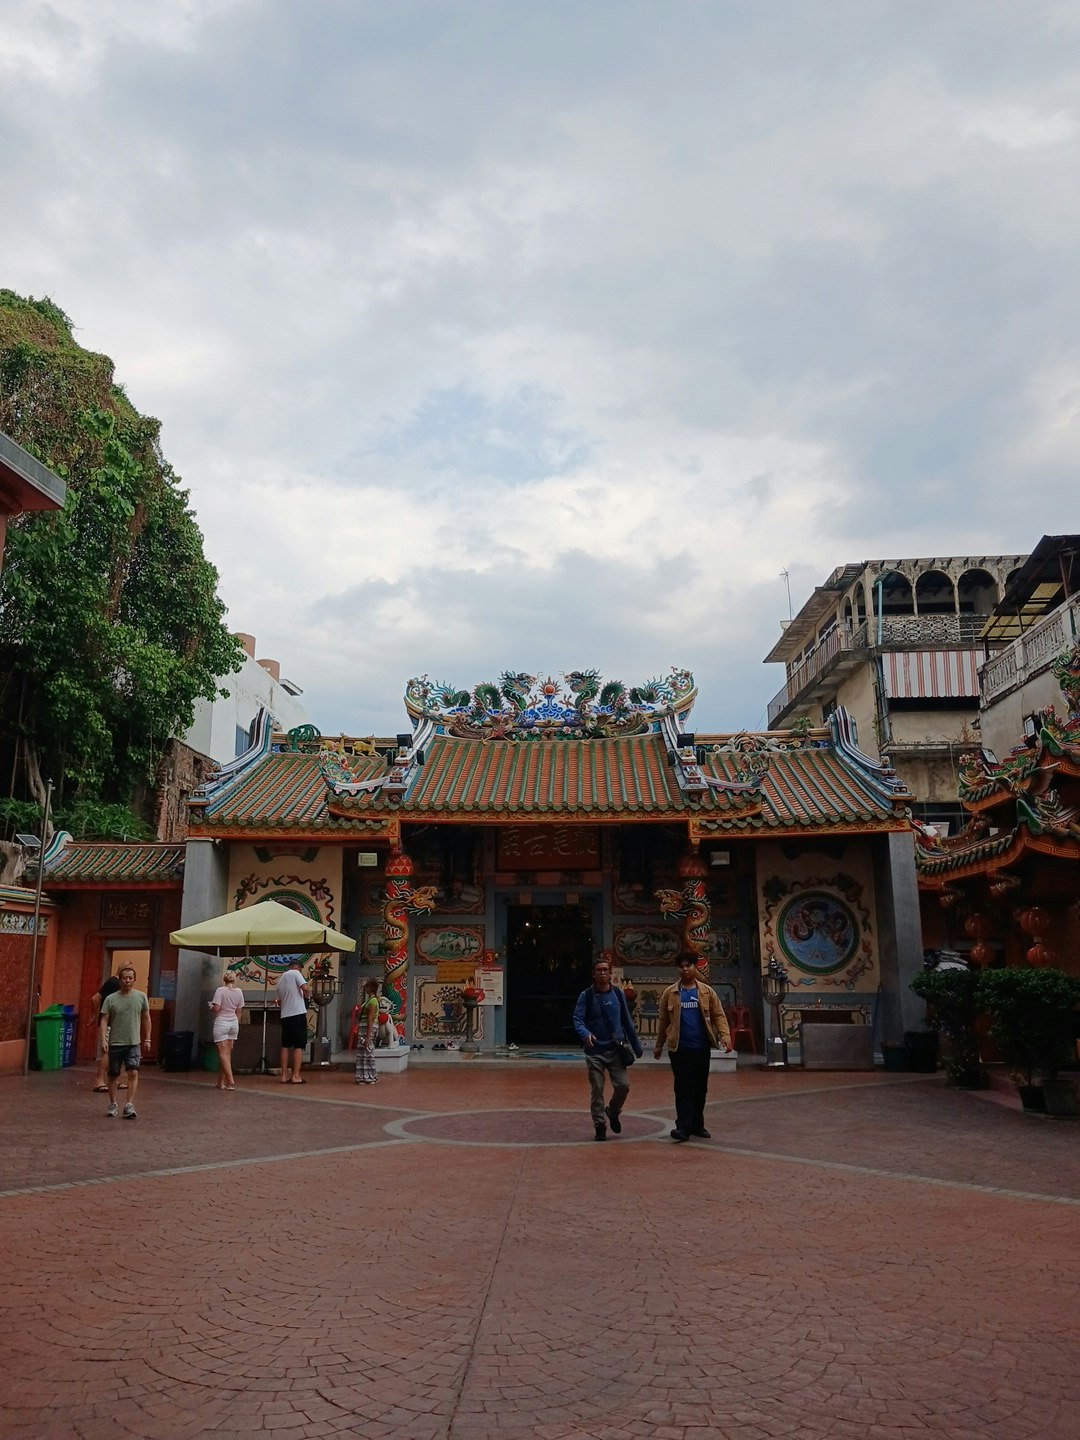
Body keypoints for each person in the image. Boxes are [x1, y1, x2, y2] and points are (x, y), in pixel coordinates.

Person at [654, 954, 734, 1142]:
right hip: (679, 1049)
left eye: (688, 965)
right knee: (682, 1088)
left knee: (700, 1088)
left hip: (701, 1047)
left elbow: (718, 1015)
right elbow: (664, 1020)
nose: (685, 969)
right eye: (681, 966)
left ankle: (698, 1124)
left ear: (694, 967)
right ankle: (683, 1127)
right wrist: (659, 1045)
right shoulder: (670, 993)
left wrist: (725, 1037)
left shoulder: (706, 992)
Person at [572, 958, 643, 1141]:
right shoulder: (585, 996)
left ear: (610, 973)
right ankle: (599, 1125)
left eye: (606, 970)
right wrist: (585, 1033)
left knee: (623, 1086)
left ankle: (612, 1111)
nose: (603, 973)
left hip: (615, 1049)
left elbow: (627, 1022)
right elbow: (577, 1019)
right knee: (597, 1089)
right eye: (599, 970)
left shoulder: (618, 994)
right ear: (593, 974)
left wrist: (636, 1046)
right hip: (595, 1051)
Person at [99, 964, 151, 1119]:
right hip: (115, 1042)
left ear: (134, 980)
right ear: (119, 980)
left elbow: (146, 1017)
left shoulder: (141, 997)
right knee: (114, 1074)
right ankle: (113, 1103)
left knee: (133, 1071)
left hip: (134, 1042)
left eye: (130, 978)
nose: (127, 981)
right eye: (124, 978)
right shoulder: (111, 999)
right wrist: (104, 1039)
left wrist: (148, 1037)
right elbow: (104, 1019)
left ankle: (129, 1104)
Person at [276, 956, 310, 1084]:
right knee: (298, 1045)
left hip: (285, 1016)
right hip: (297, 1014)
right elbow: (305, 988)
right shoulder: (295, 973)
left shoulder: (280, 980)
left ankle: (284, 1075)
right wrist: (307, 997)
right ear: (297, 967)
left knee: (285, 1045)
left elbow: (279, 1001)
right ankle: (296, 1076)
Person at [209, 970, 244, 1090]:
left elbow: (217, 1008)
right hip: (233, 1023)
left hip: (221, 1022)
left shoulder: (220, 990)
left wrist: (211, 1007)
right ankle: (222, 1082)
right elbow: (239, 1010)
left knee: (222, 1054)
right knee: (227, 1055)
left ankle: (230, 1079)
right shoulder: (239, 992)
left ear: (224, 979)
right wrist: (236, 1024)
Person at [91, 966, 123, 1093]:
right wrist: (94, 1015)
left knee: (115, 1051)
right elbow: (95, 998)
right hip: (109, 1023)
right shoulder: (113, 982)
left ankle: (113, 1079)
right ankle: (99, 1080)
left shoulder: (116, 984)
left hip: (115, 1023)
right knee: (108, 1051)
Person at [354, 978, 380, 1085]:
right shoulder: (368, 1000)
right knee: (362, 1053)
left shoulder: (373, 1001)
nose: (365, 988)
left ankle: (369, 1076)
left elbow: (370, 1019)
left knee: (367, 1051)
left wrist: (368, 1036)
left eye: (367, 986)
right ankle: (362, 1076)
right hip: (363, 1027)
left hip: (367, 1028)